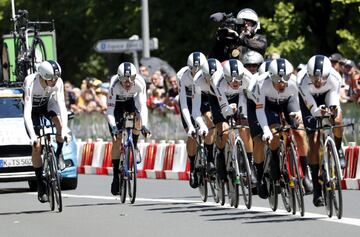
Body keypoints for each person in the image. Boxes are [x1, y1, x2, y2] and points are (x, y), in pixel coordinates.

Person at [247, 58, 312, 199]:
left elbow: (302, 102)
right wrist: (265, 130)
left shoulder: (294, 82)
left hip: (287, 100)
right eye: (276, 79)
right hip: (264, 105)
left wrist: (299, 115)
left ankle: (306, 174)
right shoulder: (261, 83)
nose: (281, 83)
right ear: (270, 77)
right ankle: (260, 176)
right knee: (271, 134)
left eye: (285, 79)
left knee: (300, 132)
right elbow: (260, 110)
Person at [297, 55, 346, 206]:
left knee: (337, 118)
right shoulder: (301, 79)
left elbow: (334, 100)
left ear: (328, 74)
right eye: (314, 77)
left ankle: (337, 150)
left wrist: (331, 111)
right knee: (313, 139)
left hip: (327, 95)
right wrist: (318, 112)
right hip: (309, 101)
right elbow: (311, 107)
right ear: (309, 74)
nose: (318, 81)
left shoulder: (335, 77)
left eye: (321, 78)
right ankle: (317, 189)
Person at [23, 60, 69, 203]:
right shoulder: (31, 82)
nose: (55, 81)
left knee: (59, 125)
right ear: (43, 76)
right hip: (32, 111)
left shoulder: (58, 82)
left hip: (48, 104)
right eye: (51, 79)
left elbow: (61, 106)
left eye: (56, 78)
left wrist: (65, 130)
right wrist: (32, 136)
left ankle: (59, 153)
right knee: (37, 146)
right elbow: (26, 112)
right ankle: (40, 183)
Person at [107, 62, 151, 195]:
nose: (128, 84)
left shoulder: (139, 83)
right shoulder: (113, 85)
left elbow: (143, 106)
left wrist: (144, 125)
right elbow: (109, 110)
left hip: (132, 102)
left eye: (130, 80)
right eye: (124, 81)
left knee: (137, 118)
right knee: (116, 139)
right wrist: (114, 127)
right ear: (119, 78)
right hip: (117, 107)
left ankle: (135, 146)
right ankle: (115, 176)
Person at [211, 59, 257, 184]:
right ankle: (220, 155)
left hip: (240, 96)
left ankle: (250, 166)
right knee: (225, 130)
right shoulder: (217, 81)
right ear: (225, 76)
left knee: (244, 128)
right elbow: (223, 105)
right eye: (231, 79)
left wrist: (244, 115)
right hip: (219, 99)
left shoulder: (248, 77)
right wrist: (228, 110)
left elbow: (251, 97)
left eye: (238, 79)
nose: (235, 82)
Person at [177, 52, 214, 188]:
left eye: (200, 70)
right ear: (188, 68)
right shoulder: (182, 76)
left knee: (210, 123)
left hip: (203, 98)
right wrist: (190, 126)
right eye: (194, 70)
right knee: (192, 135)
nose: (197, 73)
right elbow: (184, 104)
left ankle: (210, 157)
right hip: (187, 101)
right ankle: (192, 166)